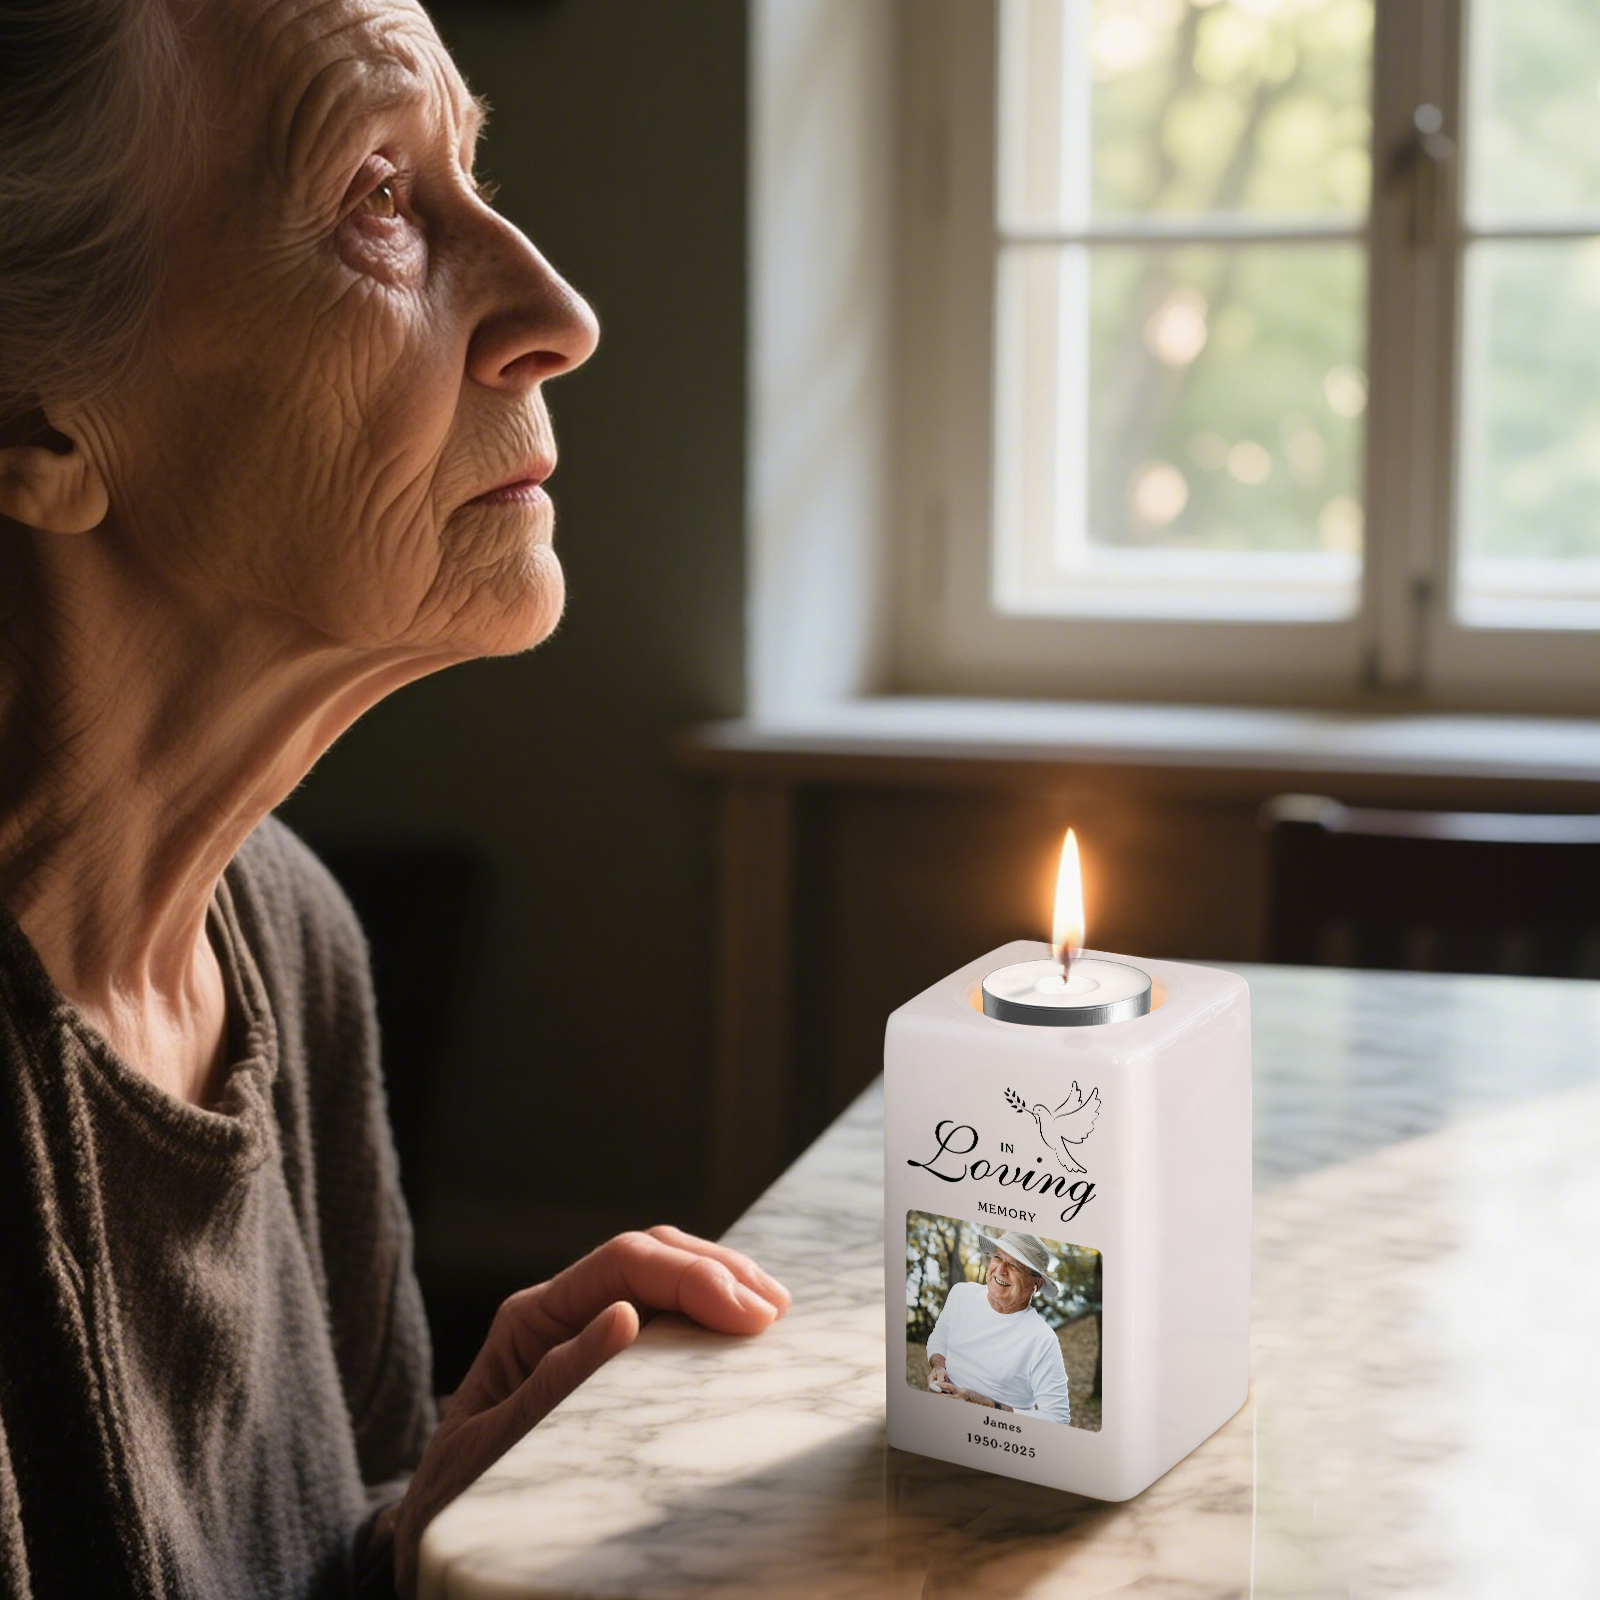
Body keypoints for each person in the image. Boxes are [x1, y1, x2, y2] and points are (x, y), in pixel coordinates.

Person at [0, 0, 790, 1595]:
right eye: (377, 196)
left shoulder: (284, 932)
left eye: (469, 172)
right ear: (31, 413)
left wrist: (431, 1526)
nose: (557, 312)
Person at [925, 1231, 1072, 1423]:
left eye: (1014, 1265)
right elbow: (939, 1338)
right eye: (997, 1257)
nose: (1001, 1269)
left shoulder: (1042, 1340)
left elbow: (1059, 1420)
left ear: (1036, 1285)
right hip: (940, 1420)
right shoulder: (960, 1294)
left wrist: (987, 1406)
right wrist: (938, 1365)